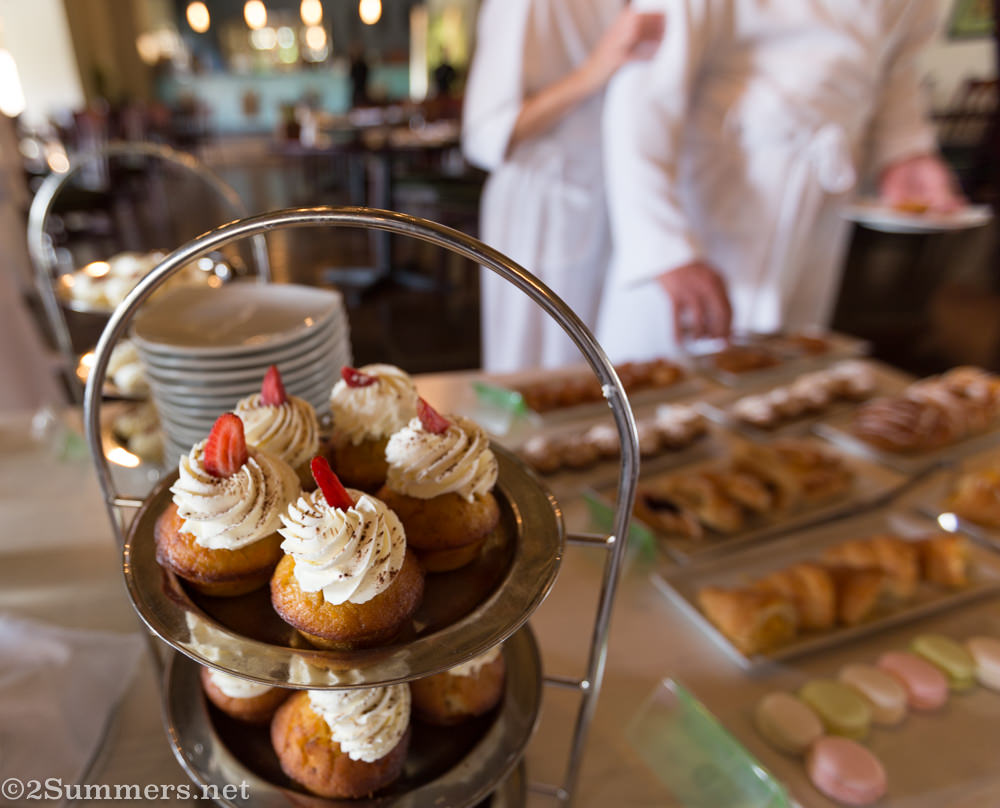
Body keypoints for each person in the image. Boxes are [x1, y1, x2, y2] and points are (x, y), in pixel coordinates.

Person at [596, 0, 965, 362]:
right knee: (654, 381)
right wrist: (666, 251)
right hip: (700, 216)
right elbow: (640, 109)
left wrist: (905, 155)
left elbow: (895, 73)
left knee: (781, 377)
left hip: (815, 218)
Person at [462, 0, 664, 372]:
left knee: (603, 381)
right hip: (544, 212)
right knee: (537, 381)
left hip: (613, 208)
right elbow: (485, 131)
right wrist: (597, 68)